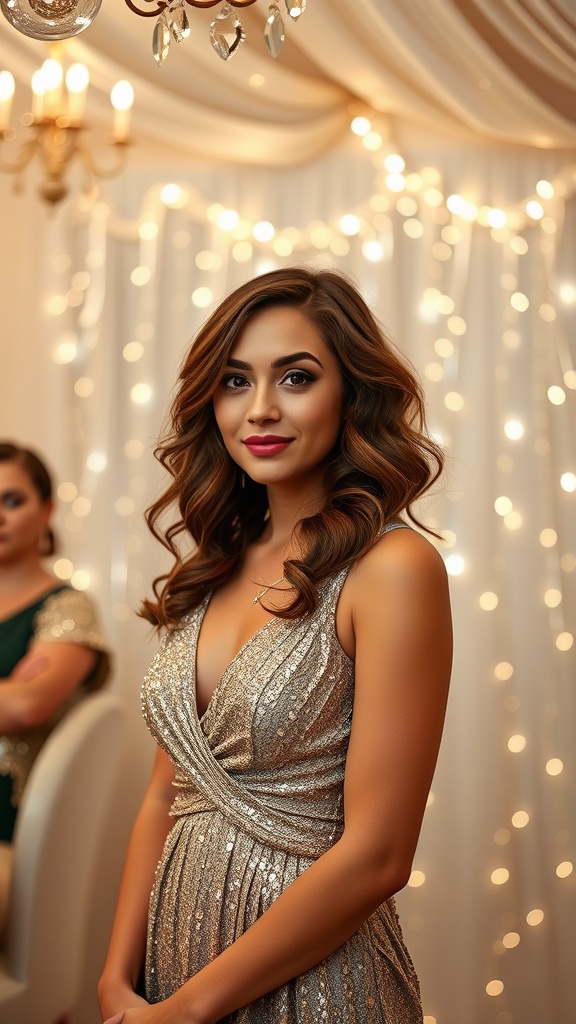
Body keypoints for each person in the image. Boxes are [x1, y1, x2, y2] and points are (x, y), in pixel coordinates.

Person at [99, 267, 452, 1024]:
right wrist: (115, 982)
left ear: (350, 394)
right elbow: (166, 794)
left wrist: (191, 1009)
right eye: (234, 381)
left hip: (317, 986)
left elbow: (381, 855)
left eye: (296, 377)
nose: (260, 409)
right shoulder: (212, 565)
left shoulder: (392, 570)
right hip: (169, 971)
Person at [0, 441, 110, 920]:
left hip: (8, 838)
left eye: (12, 500)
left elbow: (28, 707)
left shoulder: (67, 607)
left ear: (46, 510)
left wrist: (16, 697)